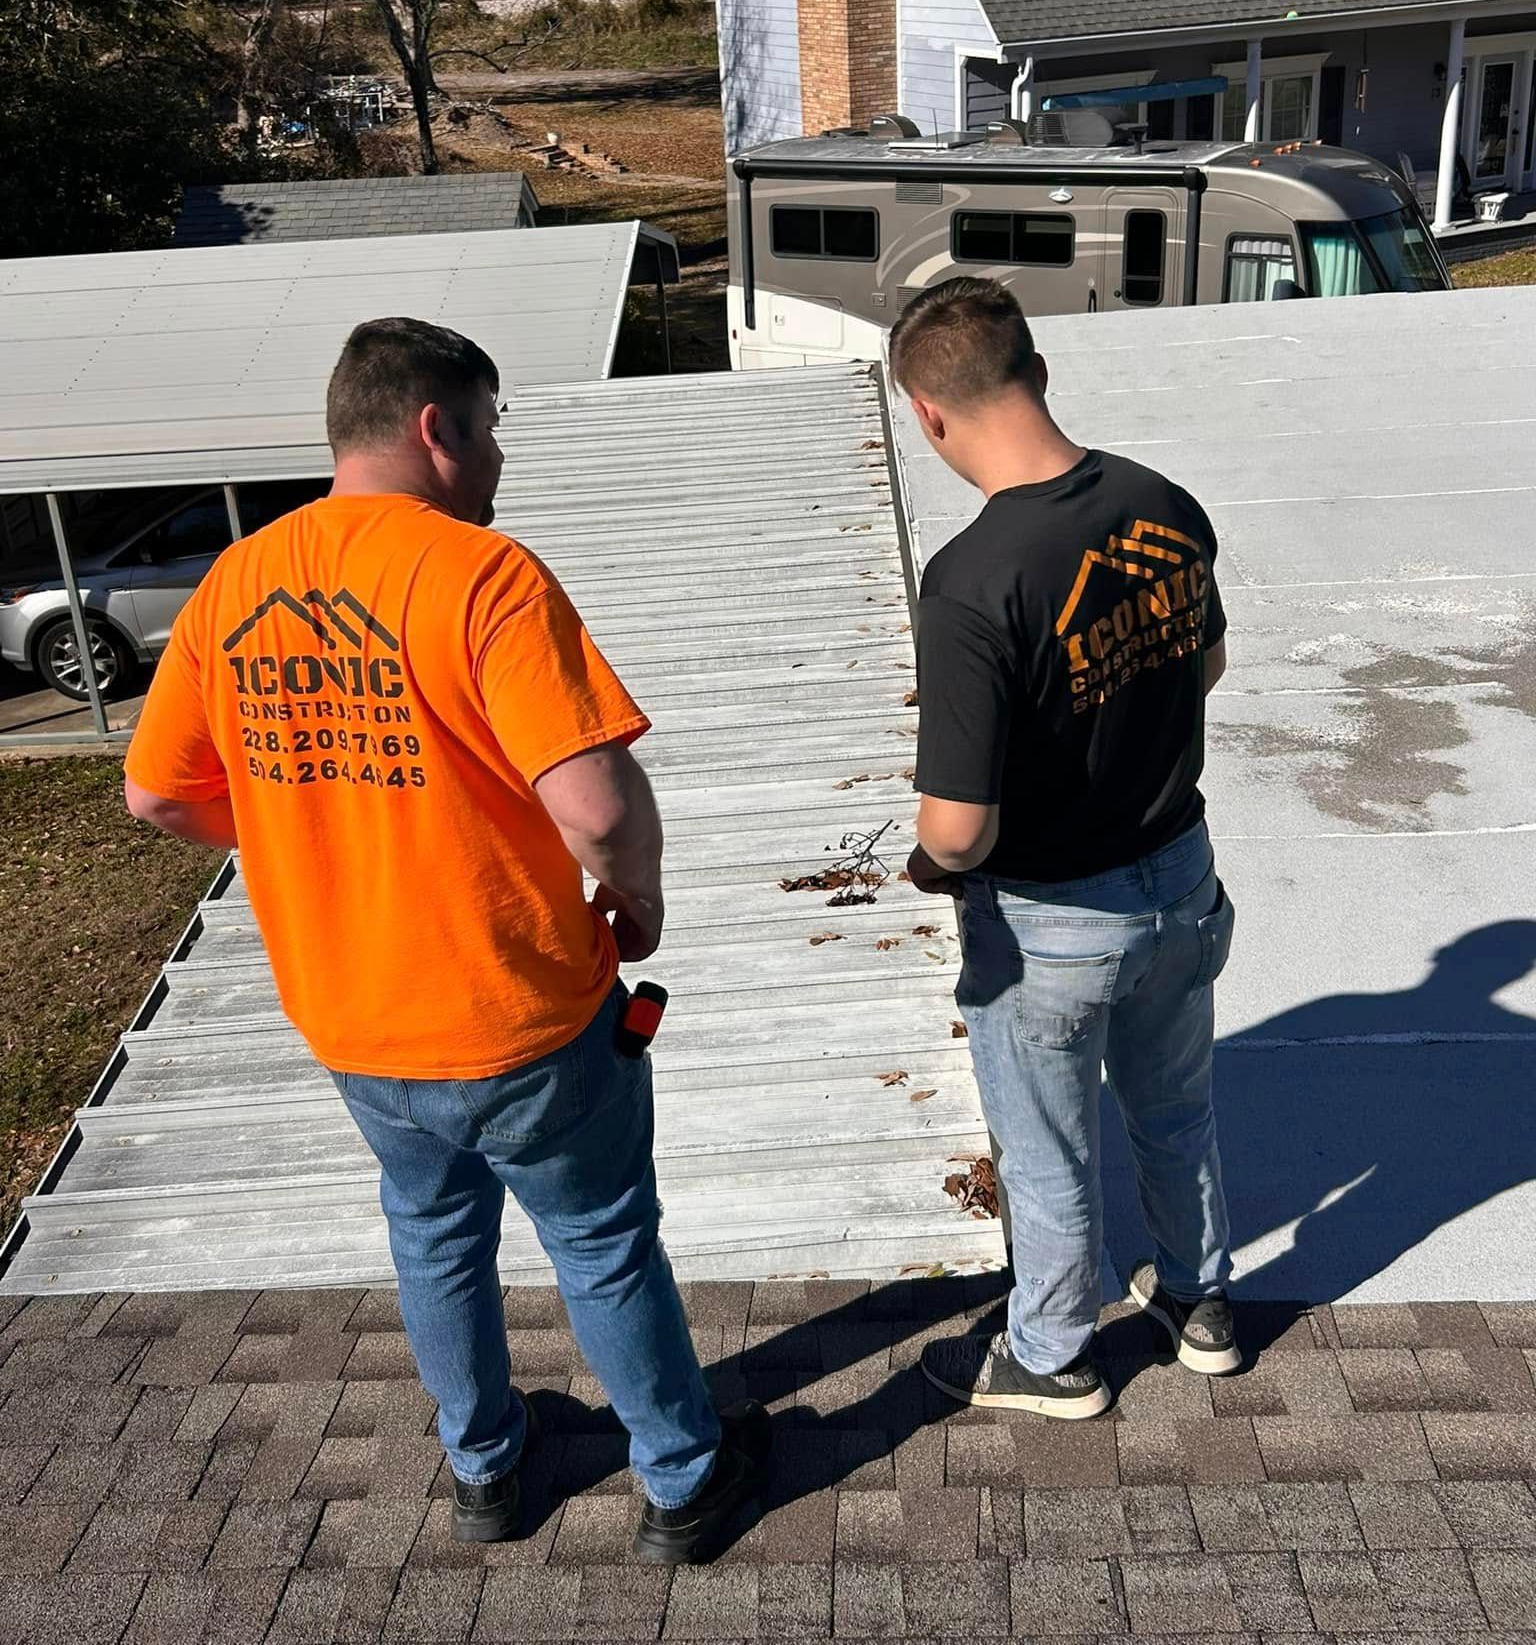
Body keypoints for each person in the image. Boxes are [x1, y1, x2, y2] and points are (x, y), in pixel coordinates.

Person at [123, 316, 769, 1561]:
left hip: (357, 1024)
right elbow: (596, 802)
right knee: (600, 1241)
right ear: (436, 428)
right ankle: (684, 1480)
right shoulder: (483, 577)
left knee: (432, 1235)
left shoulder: (233, 584)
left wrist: (299, 829)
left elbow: (155, 794)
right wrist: (638, 898)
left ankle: (485, 1466)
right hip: (517, 1015)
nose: (496, 460)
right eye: (491, 429)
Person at [888, 276, 1239, 1420]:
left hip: (1050, 922)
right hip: (1181, 875)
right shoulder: (1162, 501)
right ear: (1036, 367)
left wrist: (930, 869)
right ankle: (1199, 1302)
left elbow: (960, 823)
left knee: (1045, 1145)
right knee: (1175, 1107)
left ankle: (1051, 1353)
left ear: (929, 416)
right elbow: (1209, 666)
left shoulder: (973, 583)